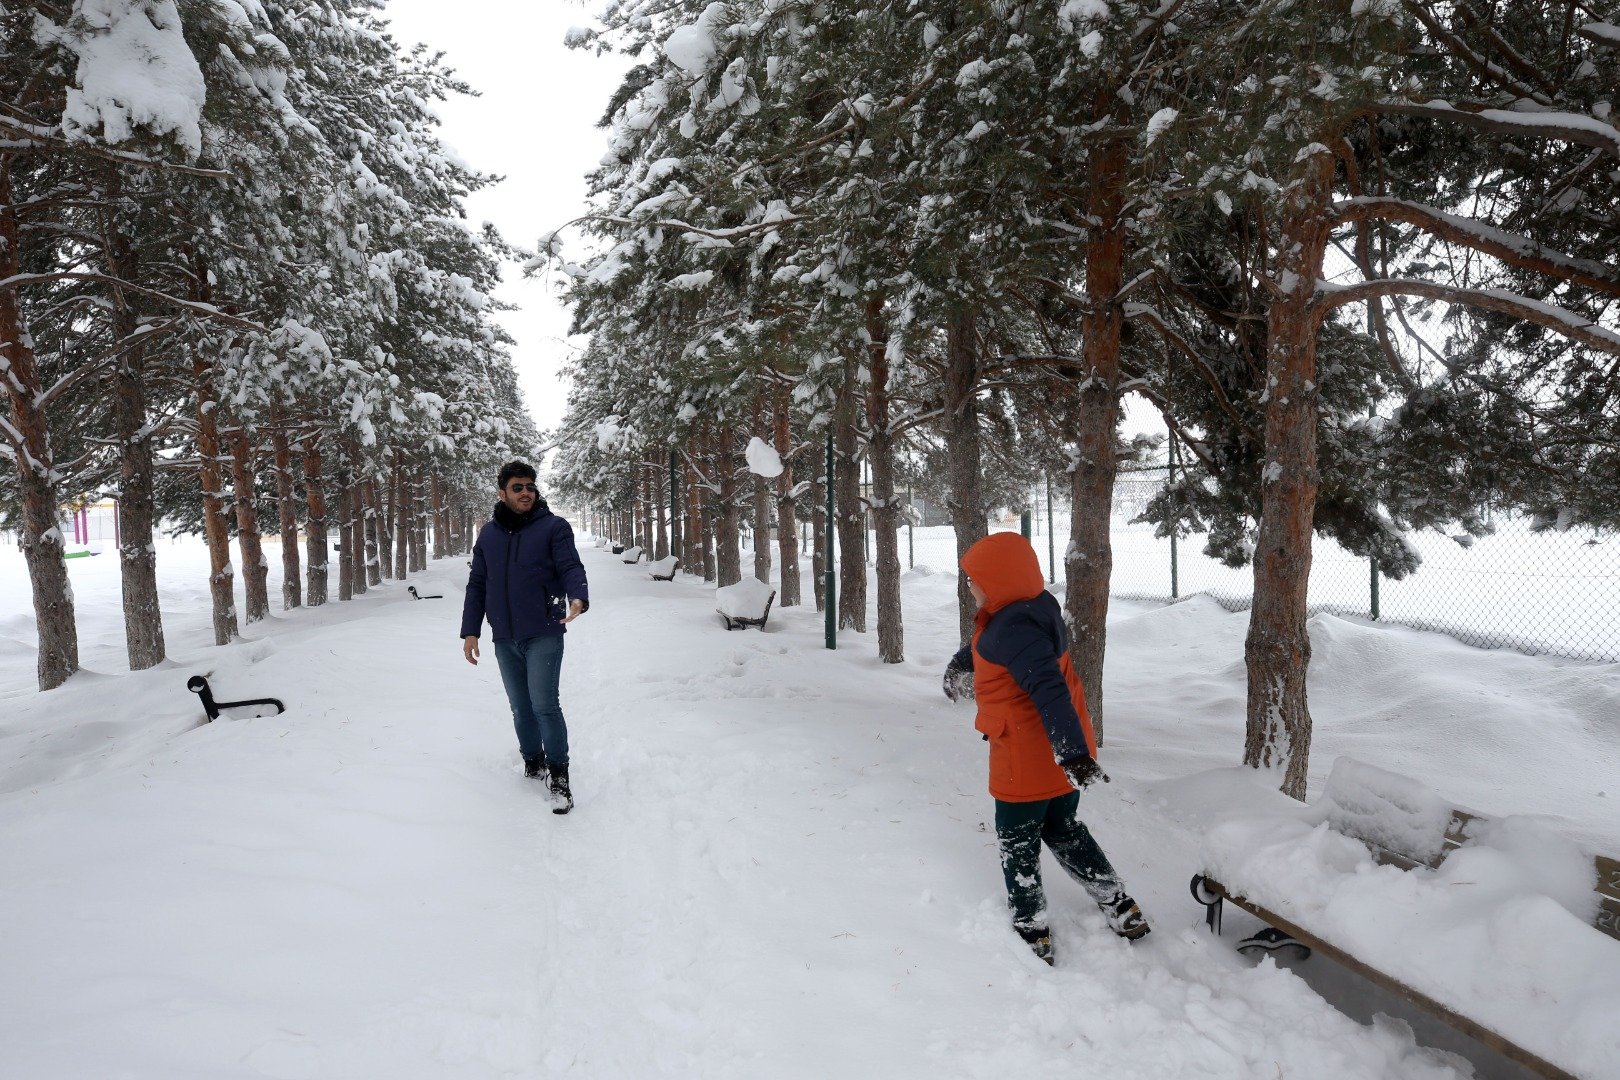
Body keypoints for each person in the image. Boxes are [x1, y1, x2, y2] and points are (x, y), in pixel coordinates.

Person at [943, 532, 1148, 964]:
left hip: (1030, 755)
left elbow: (1046, 686)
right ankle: (1117, 904)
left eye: (974, 579)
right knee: (1062, 827)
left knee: (1018, 841)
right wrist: (965, 659)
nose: (969, 586)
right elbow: (1006, 645)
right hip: (1062, 754)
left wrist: (1069, 751)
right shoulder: (1034, 607)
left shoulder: (1011, 627)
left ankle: (1031, 927)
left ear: (998, 581)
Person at [460, 461, 589, 813]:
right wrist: (471, 630)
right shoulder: (488, 535)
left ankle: (559, 776)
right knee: (520, 707)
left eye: (530, 486)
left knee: (544, 704)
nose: (526, 492)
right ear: (502, 493)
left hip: (543, 631)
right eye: (517, 487)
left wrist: (577, 595)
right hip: (504, 635)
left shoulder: (553, 528)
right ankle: (533, 762)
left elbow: (570, 566)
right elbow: (478, 584)